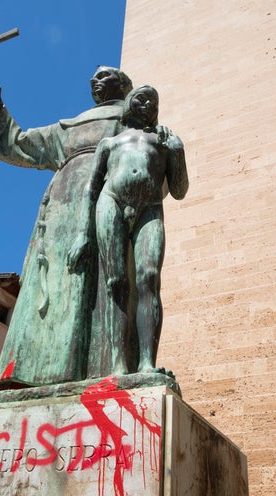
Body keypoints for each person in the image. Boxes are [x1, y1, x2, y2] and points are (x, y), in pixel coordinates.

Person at [0, 67, 133, 388]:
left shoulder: (130, 119)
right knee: (46, 281)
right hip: (60, 205)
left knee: (94, 281)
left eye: (103, 77)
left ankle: (84, 370)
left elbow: (148, 157)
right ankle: (29, 371)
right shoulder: (68, 128)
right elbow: (22, 144)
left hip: (106, 199)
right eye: (93, 78)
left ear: (121, 85)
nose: (95, 81)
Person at [67, 85, 188, 375]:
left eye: (153, 101)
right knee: (116, 282)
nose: (147, 104)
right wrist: (83, 234)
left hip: (149, 207)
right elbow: (91, 188)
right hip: (111, 202)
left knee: (149, 278)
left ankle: (147, 362)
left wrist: (178, 152)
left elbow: (180, 190)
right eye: (141, 98)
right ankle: (118, 363)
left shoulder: (162, 141)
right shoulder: (110, 143)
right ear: (129, 104)